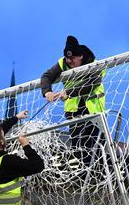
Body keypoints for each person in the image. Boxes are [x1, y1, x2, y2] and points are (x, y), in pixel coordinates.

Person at [40, 35, 105, 166]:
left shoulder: (95, 64)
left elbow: (92, 84)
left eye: (72, 58)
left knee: (94, 146)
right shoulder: (62, 63)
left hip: (93, 110)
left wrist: (68, 93)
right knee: (77, 147)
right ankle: (84, 175)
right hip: (73, 111)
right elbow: (46, 76)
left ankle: (97, 175)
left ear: (81, 56)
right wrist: (47, 91)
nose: (69, 61)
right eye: (67, 58)